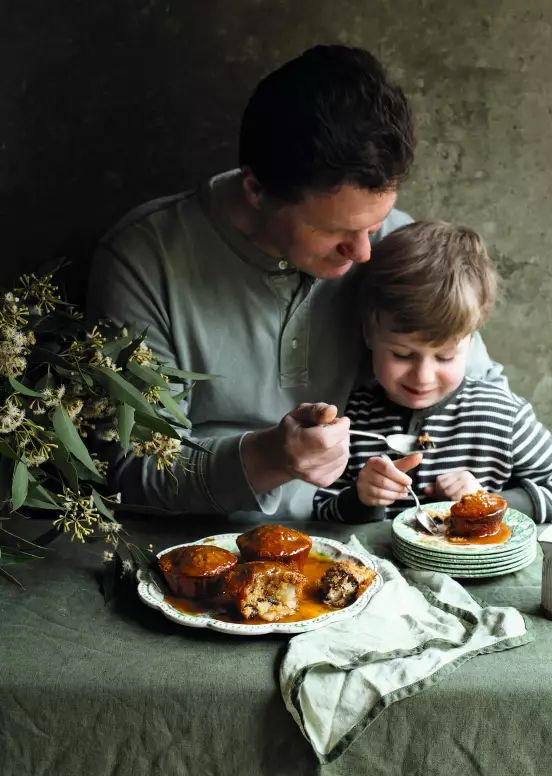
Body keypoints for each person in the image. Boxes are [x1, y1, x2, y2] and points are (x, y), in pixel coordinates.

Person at [87, 45, 507, 522]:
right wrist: (269, 459)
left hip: (363, 547)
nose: (365, 253)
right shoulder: (144, 262)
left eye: (374, 224)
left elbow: (480, 391)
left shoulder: (394, 244)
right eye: (334, 232)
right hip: (191, 553)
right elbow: (126, 470)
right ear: (256, 190)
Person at [313, 220, 552, 523]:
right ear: (369, 333)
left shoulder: (500, 415)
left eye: (445, 357)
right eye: (402, 354)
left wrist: (490, 502)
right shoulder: (350, 416)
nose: (422, 376)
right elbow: (318, 508)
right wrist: (361, 500)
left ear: (471, 342)